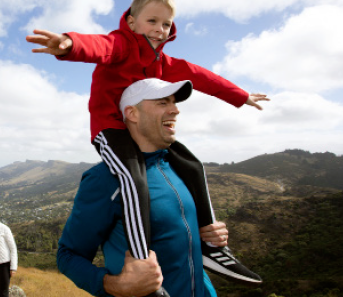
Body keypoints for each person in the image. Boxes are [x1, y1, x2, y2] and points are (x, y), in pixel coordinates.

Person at [26, 0, 267, 284]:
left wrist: (240, 95)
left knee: (193, 164)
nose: (160, 29)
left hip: (144, 131)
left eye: (166, 24)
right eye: (152, 21)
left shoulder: (163, 64)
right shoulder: (120, 46)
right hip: (112, 128)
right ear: (130, 22)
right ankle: (142, 265)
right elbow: (98, 46)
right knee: (132, 178)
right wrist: (70, 44)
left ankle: (213, 247)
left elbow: (204, 77)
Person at [57, 78, 261, 297]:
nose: (175, 110)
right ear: (132, 114)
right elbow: (68, 256)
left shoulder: (180, 169)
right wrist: (115, 285)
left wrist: (204, 237)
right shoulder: (105, 178)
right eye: (163, 103)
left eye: (174, 103)